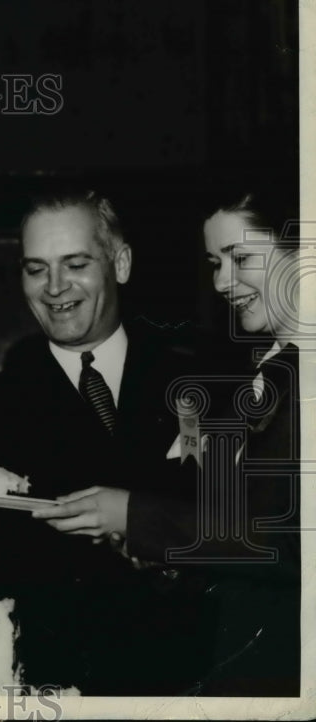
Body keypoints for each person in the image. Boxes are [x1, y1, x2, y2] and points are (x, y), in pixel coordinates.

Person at [47, 189, 301, 696]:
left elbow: (288, 542)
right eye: (214, 263)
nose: (222, 282)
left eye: (241, 258)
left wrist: (135, 516)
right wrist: (162, 549)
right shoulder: (271, 369)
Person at [0, 189, 208, 695]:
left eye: (75, 264)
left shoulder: (197, 381)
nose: (54, 288)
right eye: (36, 268)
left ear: (120, 263)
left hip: (191, 682)